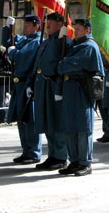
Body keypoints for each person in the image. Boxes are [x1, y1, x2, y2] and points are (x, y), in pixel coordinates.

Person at [57, 18, 105, 176]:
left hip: (82, 90)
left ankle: (85, 162)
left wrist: (63, 63)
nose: (75, 31)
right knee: (70, 127)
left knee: (83, 127)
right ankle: (75, 160)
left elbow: (70, 65)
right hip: (71, 89)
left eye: (78, 29)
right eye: (74, 28)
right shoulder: (76, 45)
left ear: (88, 30)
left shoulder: (89, 46)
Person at [29, 12, 70, 170]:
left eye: (51, 23)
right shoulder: (46, 42)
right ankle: (52, 154)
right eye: (47, 23)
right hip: (42, 86)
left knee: (57, 121)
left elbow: (60, 61)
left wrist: (62, 37)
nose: (47, 26)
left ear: (60, 24)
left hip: (54, 85)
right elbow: (38, 62)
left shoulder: (63, 41)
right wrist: (31, 82)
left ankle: (61, 156)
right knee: (46, 121)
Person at [3, 15, 42, 164]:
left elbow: (22, 58)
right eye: (24, 25)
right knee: (21, 119)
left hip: (28, 84)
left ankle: (33, 152)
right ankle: (26, 150)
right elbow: (8, 43)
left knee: (29, 119)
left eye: (27, 26)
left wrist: (13, 52)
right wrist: (8, 28)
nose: (24, 28)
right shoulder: (26, 40)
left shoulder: (36, 42)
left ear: (36, 26)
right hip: (19, 85)